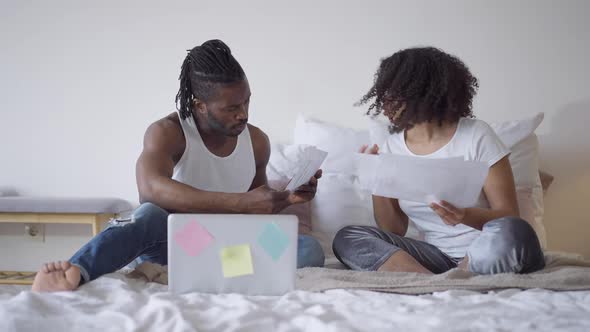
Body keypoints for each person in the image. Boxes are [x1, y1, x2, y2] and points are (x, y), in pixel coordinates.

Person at [32, 39, 325, 292]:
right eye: (232, 108)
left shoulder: (257, 141)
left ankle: (213, 275)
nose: (243, 114)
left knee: (308, 248)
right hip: (179, 242)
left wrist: (287, 198)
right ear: (200, 105)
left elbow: (255, 212)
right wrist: (239, 202)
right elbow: (150, 189)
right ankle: (75, 272)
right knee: (147, 215)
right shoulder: (169, 132)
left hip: (229, 251)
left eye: (247, 102)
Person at [333, 47, 545, 275]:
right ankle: (434, 281)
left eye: (393, 92)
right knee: (348, 237)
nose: (385, 102)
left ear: (423, 91)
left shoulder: (476, 135)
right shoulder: (392, 146)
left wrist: (465, 215)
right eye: (384, 92)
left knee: (514, 229)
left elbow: (507, 214)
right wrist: (375, 177)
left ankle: (463, 274)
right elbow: (393, 229)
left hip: (487, 250)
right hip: (436, 258)